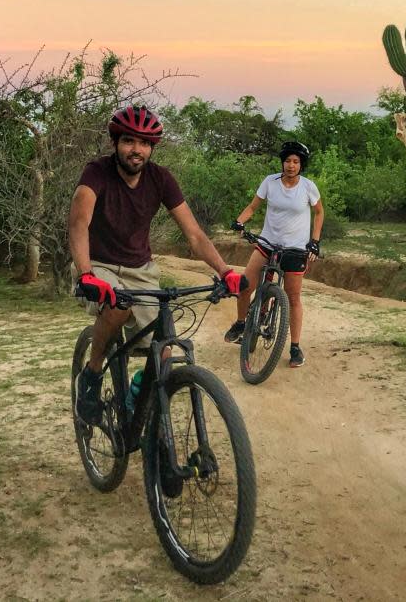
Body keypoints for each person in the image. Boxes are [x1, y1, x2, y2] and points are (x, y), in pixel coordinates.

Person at [70, 104, 243, 424]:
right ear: (115, 143)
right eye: (130, 142)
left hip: (141, 271)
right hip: (97, 264)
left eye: (145, 143)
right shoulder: (97, 173)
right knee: (118, 304)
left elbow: (193, 234)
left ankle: (137, 396)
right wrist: (86, 274)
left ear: (152, 148)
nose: (137, 150)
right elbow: (79, 224)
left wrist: (224, 270)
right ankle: (92, 374)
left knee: (164, 352)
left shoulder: (161, 179)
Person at [225, 140, 323, 368]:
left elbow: (319, 213)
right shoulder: (270, 182)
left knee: (293, 297)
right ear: (282, 163)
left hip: (296, 249)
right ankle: (241, 323)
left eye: (296, 162)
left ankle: (295, 347)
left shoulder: (308, 187)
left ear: (301, 165)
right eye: (287, 161)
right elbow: (253, 207)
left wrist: (314, 243)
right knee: (245, 284)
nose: (291, 165)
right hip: (267, 243)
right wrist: (239, 222)